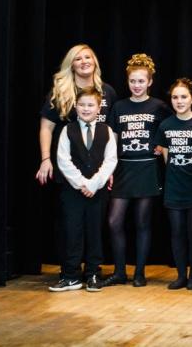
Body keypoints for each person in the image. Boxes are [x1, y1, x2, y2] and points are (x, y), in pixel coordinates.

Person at [104, 53, 171, 288]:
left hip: (147, 168)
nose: (137, 85)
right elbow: (112, 140)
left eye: (141, 81)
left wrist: (161, 147)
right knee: (114, 221)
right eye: (133, 81)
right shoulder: (119, 106)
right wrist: (109, 168)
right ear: (128, 81)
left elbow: (168, 133)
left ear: (150, 82)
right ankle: (120, 271)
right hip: (123, 167)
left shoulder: (159, 106)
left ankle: (139, 273)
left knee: (142, 222)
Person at [49, 87, 117, 292]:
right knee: (72, 231)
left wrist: (94, 184)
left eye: (90, 105)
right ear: (75, 107)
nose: (86, 109)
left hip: (97, 192)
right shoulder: (66, 130)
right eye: (82, 105)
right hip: (73, 192)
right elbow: (63, 160)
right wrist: (81, 184)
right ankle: (71, 275)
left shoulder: (106, 131)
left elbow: (110, 160)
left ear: (98, 108)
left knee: (95, 231)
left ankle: (94, 274)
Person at [153, 78, 192, 290]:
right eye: (175, 97)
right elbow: (166, 157)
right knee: (177, 233)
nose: (179, 101)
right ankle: (180, 275)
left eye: (184, 97)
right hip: (174, 188)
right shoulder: (165, 125)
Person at [37, 44, 117, 186]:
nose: (84, 61)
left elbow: (113, 130)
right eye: (78, 59)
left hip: (99, 168)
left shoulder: (107, 91)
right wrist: (45, 159)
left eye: (87, 57)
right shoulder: (60, 93)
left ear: (94, 61)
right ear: (71, 65)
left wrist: (110, 169)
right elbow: (46, 128)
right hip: (68, 167)